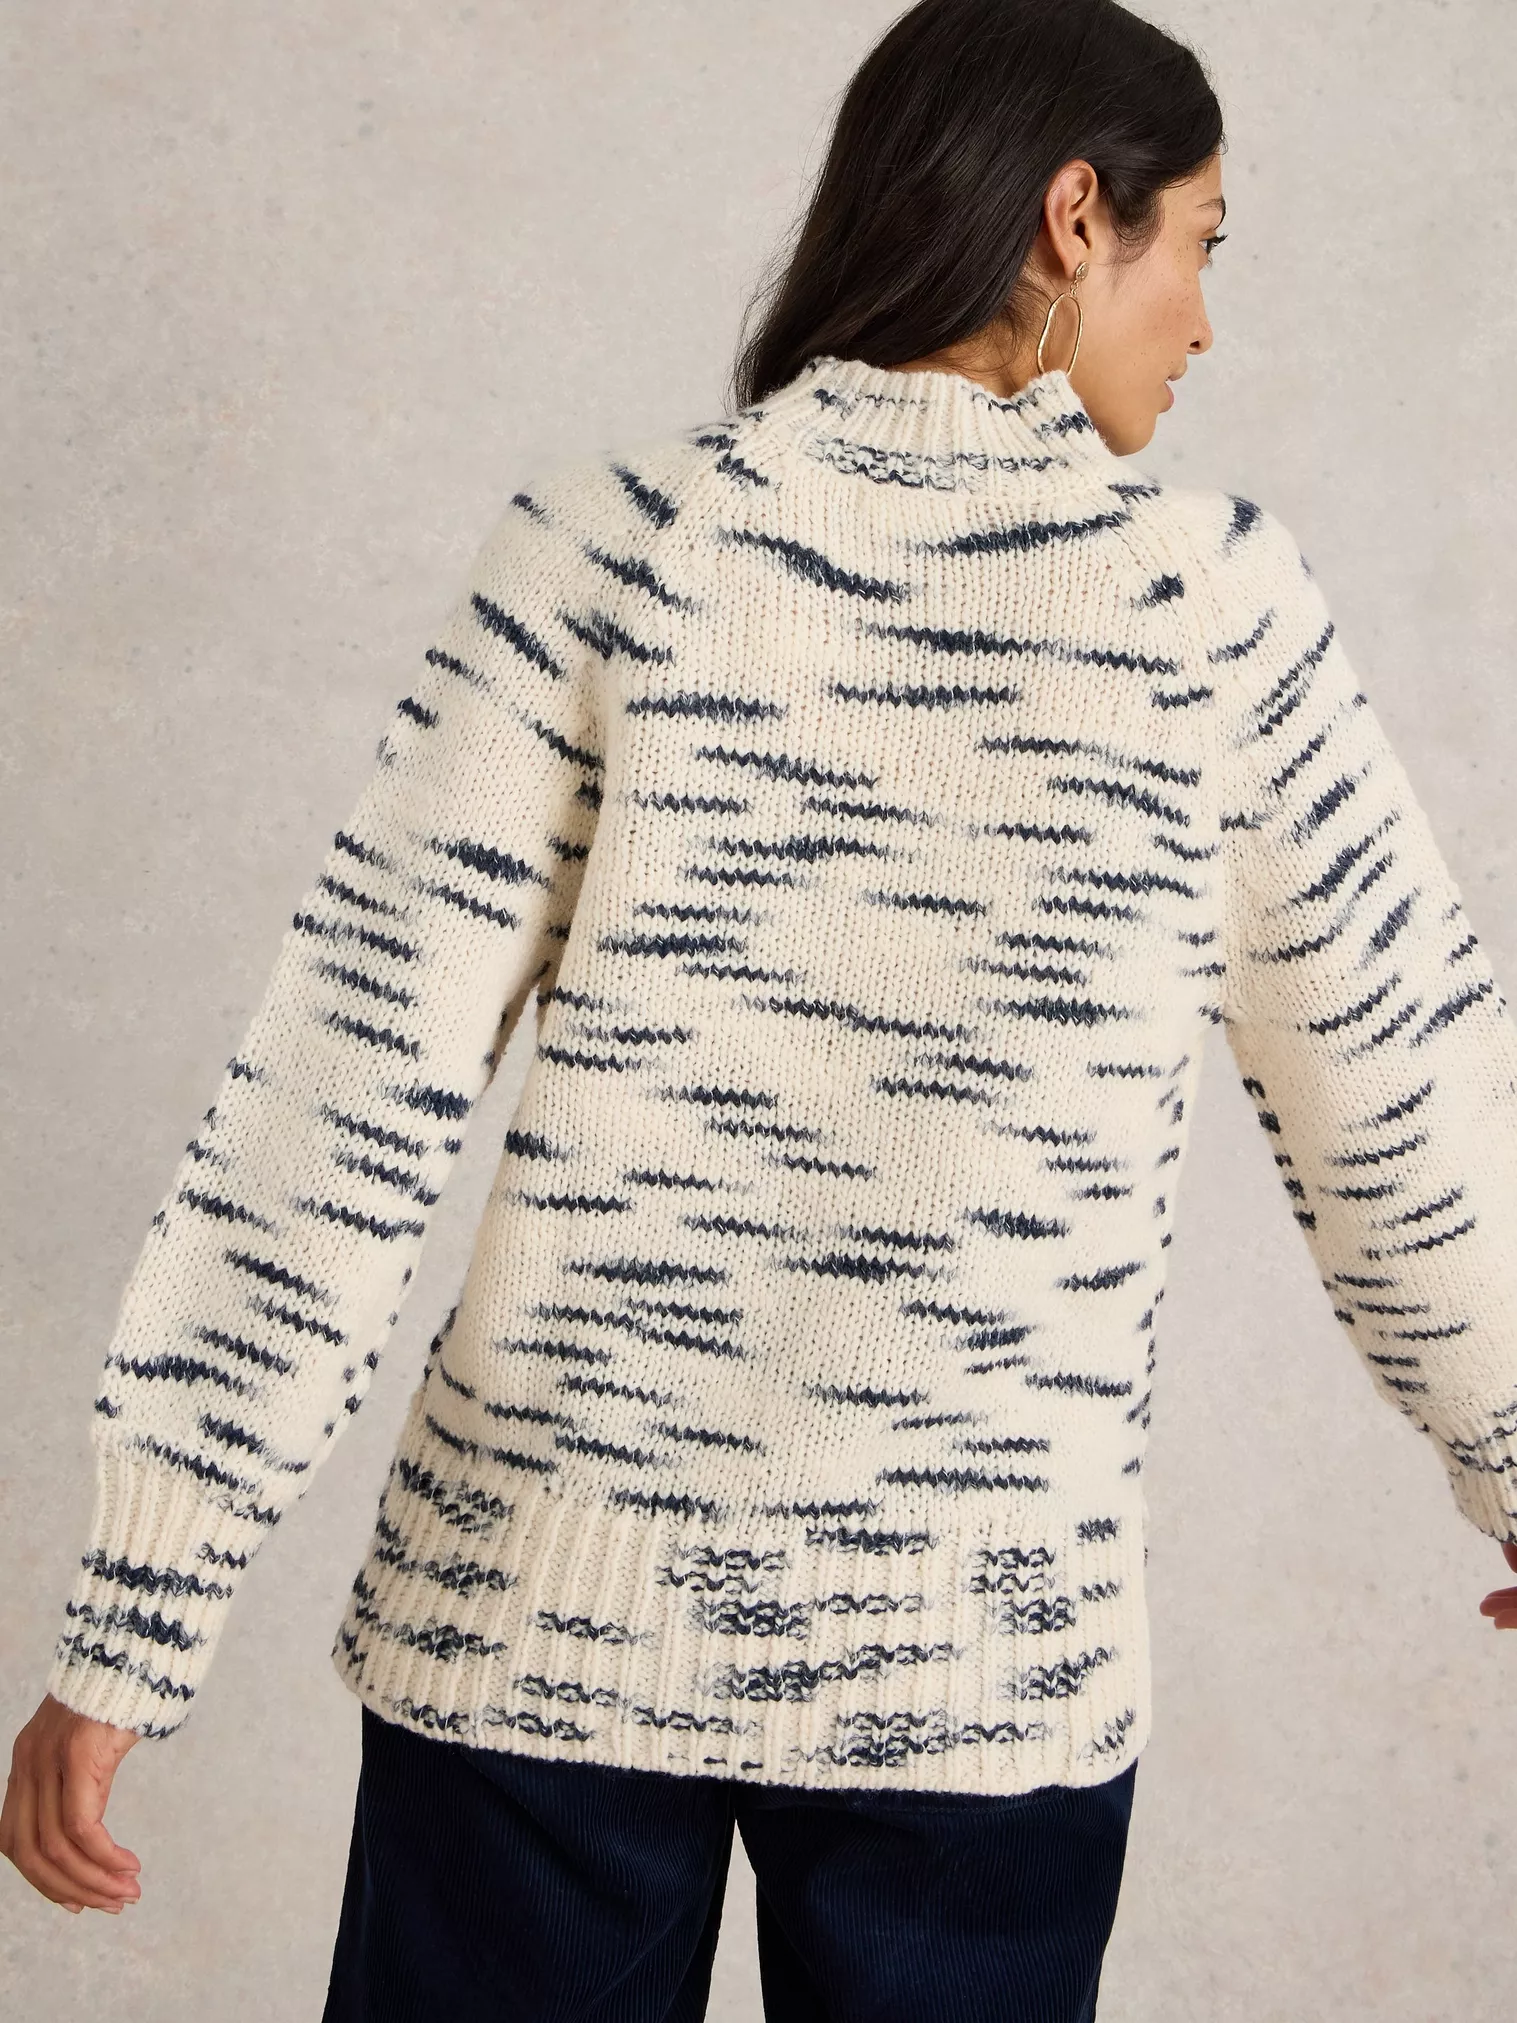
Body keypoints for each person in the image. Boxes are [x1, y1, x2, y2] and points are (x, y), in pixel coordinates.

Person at [6, 0, 1517, 2016]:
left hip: (531, 1627)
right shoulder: (1211, 618)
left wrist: (140, 1611)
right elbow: (1413, 1126)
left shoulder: (612, 549)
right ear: (1077, 216)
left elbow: (336, 1100)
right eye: (1202, 245)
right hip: (980, 1675)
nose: (1206, 323)